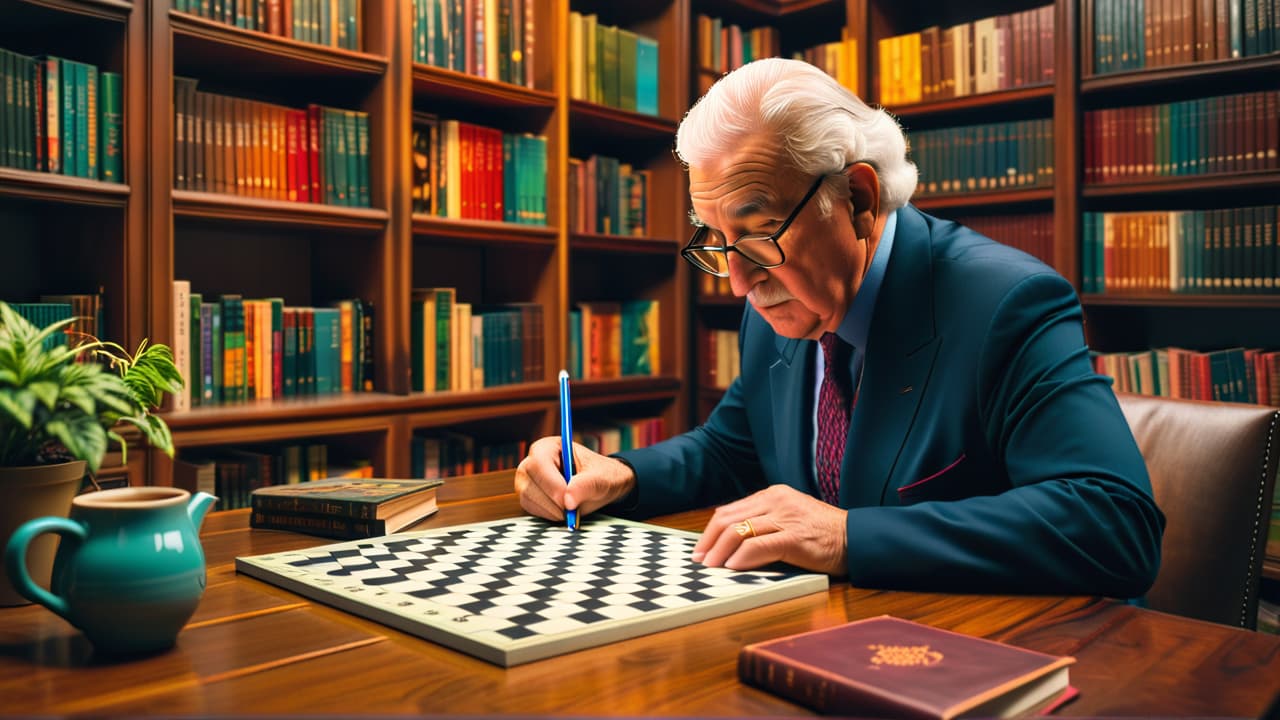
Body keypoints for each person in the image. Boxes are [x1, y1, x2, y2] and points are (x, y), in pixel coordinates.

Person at [515, 58, 1165, 597]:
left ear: (857, 198)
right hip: (836, 637)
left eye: (760, 234)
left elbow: (1114, 521)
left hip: (1005, 656)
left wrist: (848, 536)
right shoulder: (778, 304)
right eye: (717, 240)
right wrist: (618, 474)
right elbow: (734, 448)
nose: (737, 282)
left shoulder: (1005, 303)